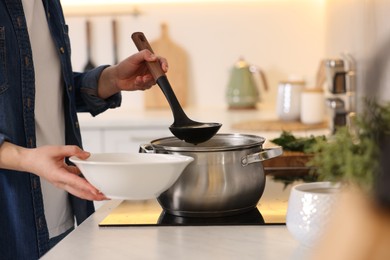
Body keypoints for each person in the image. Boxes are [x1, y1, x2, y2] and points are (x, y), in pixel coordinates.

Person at [0, 0, 168, 259]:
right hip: (11, 223)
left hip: (59, 212)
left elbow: (40, 91)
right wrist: (25, 159)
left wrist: (112, 79)